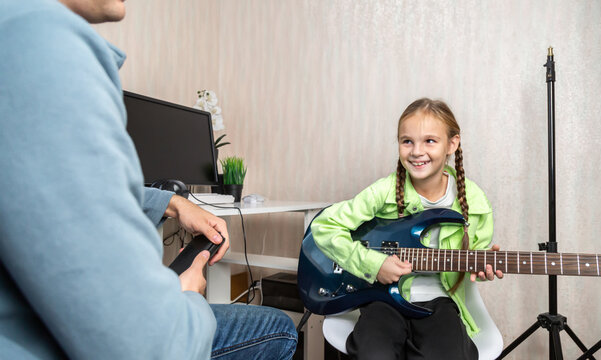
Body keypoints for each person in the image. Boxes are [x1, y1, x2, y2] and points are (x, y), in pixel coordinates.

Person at [0, 0, 297, 359]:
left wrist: (171, 203)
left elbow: (50, 186)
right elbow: (150, 347)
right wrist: (189, 297)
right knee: (279, 328)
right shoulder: (43, 44)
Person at [311, 98, 503, 360]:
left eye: (430, 141)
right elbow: (324, 225)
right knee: (373, 353)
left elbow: (473, 263)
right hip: (382, 299)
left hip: (440, 302)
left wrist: (483, 269)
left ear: (452, 143)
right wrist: (374, 264)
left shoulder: (475, 202)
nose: (416, 151)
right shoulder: (385, 190)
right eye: (407, 141)